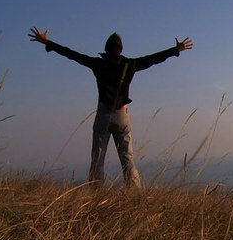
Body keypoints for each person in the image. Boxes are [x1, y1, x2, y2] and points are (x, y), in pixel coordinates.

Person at [28, 26, 193, 188]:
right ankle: (134, 192)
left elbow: (72, 54)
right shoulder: (130, 65)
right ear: (121, 50)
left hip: (103, 115)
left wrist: (47, 42)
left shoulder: (98, 64)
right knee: (127, 158)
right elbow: (153, 59)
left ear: (105, 49)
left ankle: (96, 191)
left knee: (98, 159)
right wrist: (176, 49)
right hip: (122, 116)